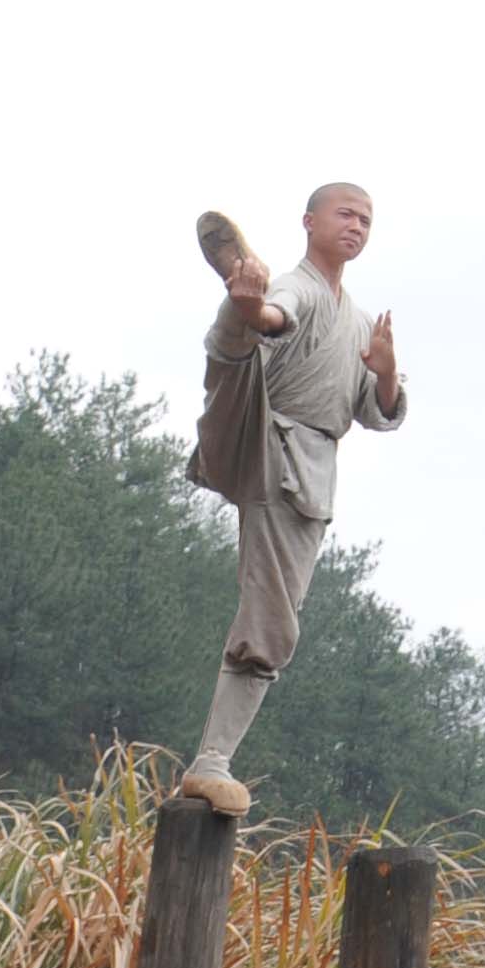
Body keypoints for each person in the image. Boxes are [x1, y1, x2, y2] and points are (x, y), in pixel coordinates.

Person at [177, 189, 407, 815]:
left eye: (366, 219)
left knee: (279, 618)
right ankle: (212, 760)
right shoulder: (299, 288)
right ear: (310, 222)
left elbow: (378, 411)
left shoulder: (358, 320)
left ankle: (214, 759)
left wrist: (384, 371)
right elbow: (278, 316)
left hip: (315, 467)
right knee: (270, 623)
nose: (356, 226)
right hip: (271, 443)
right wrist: (254, 305)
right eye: (345, 214)